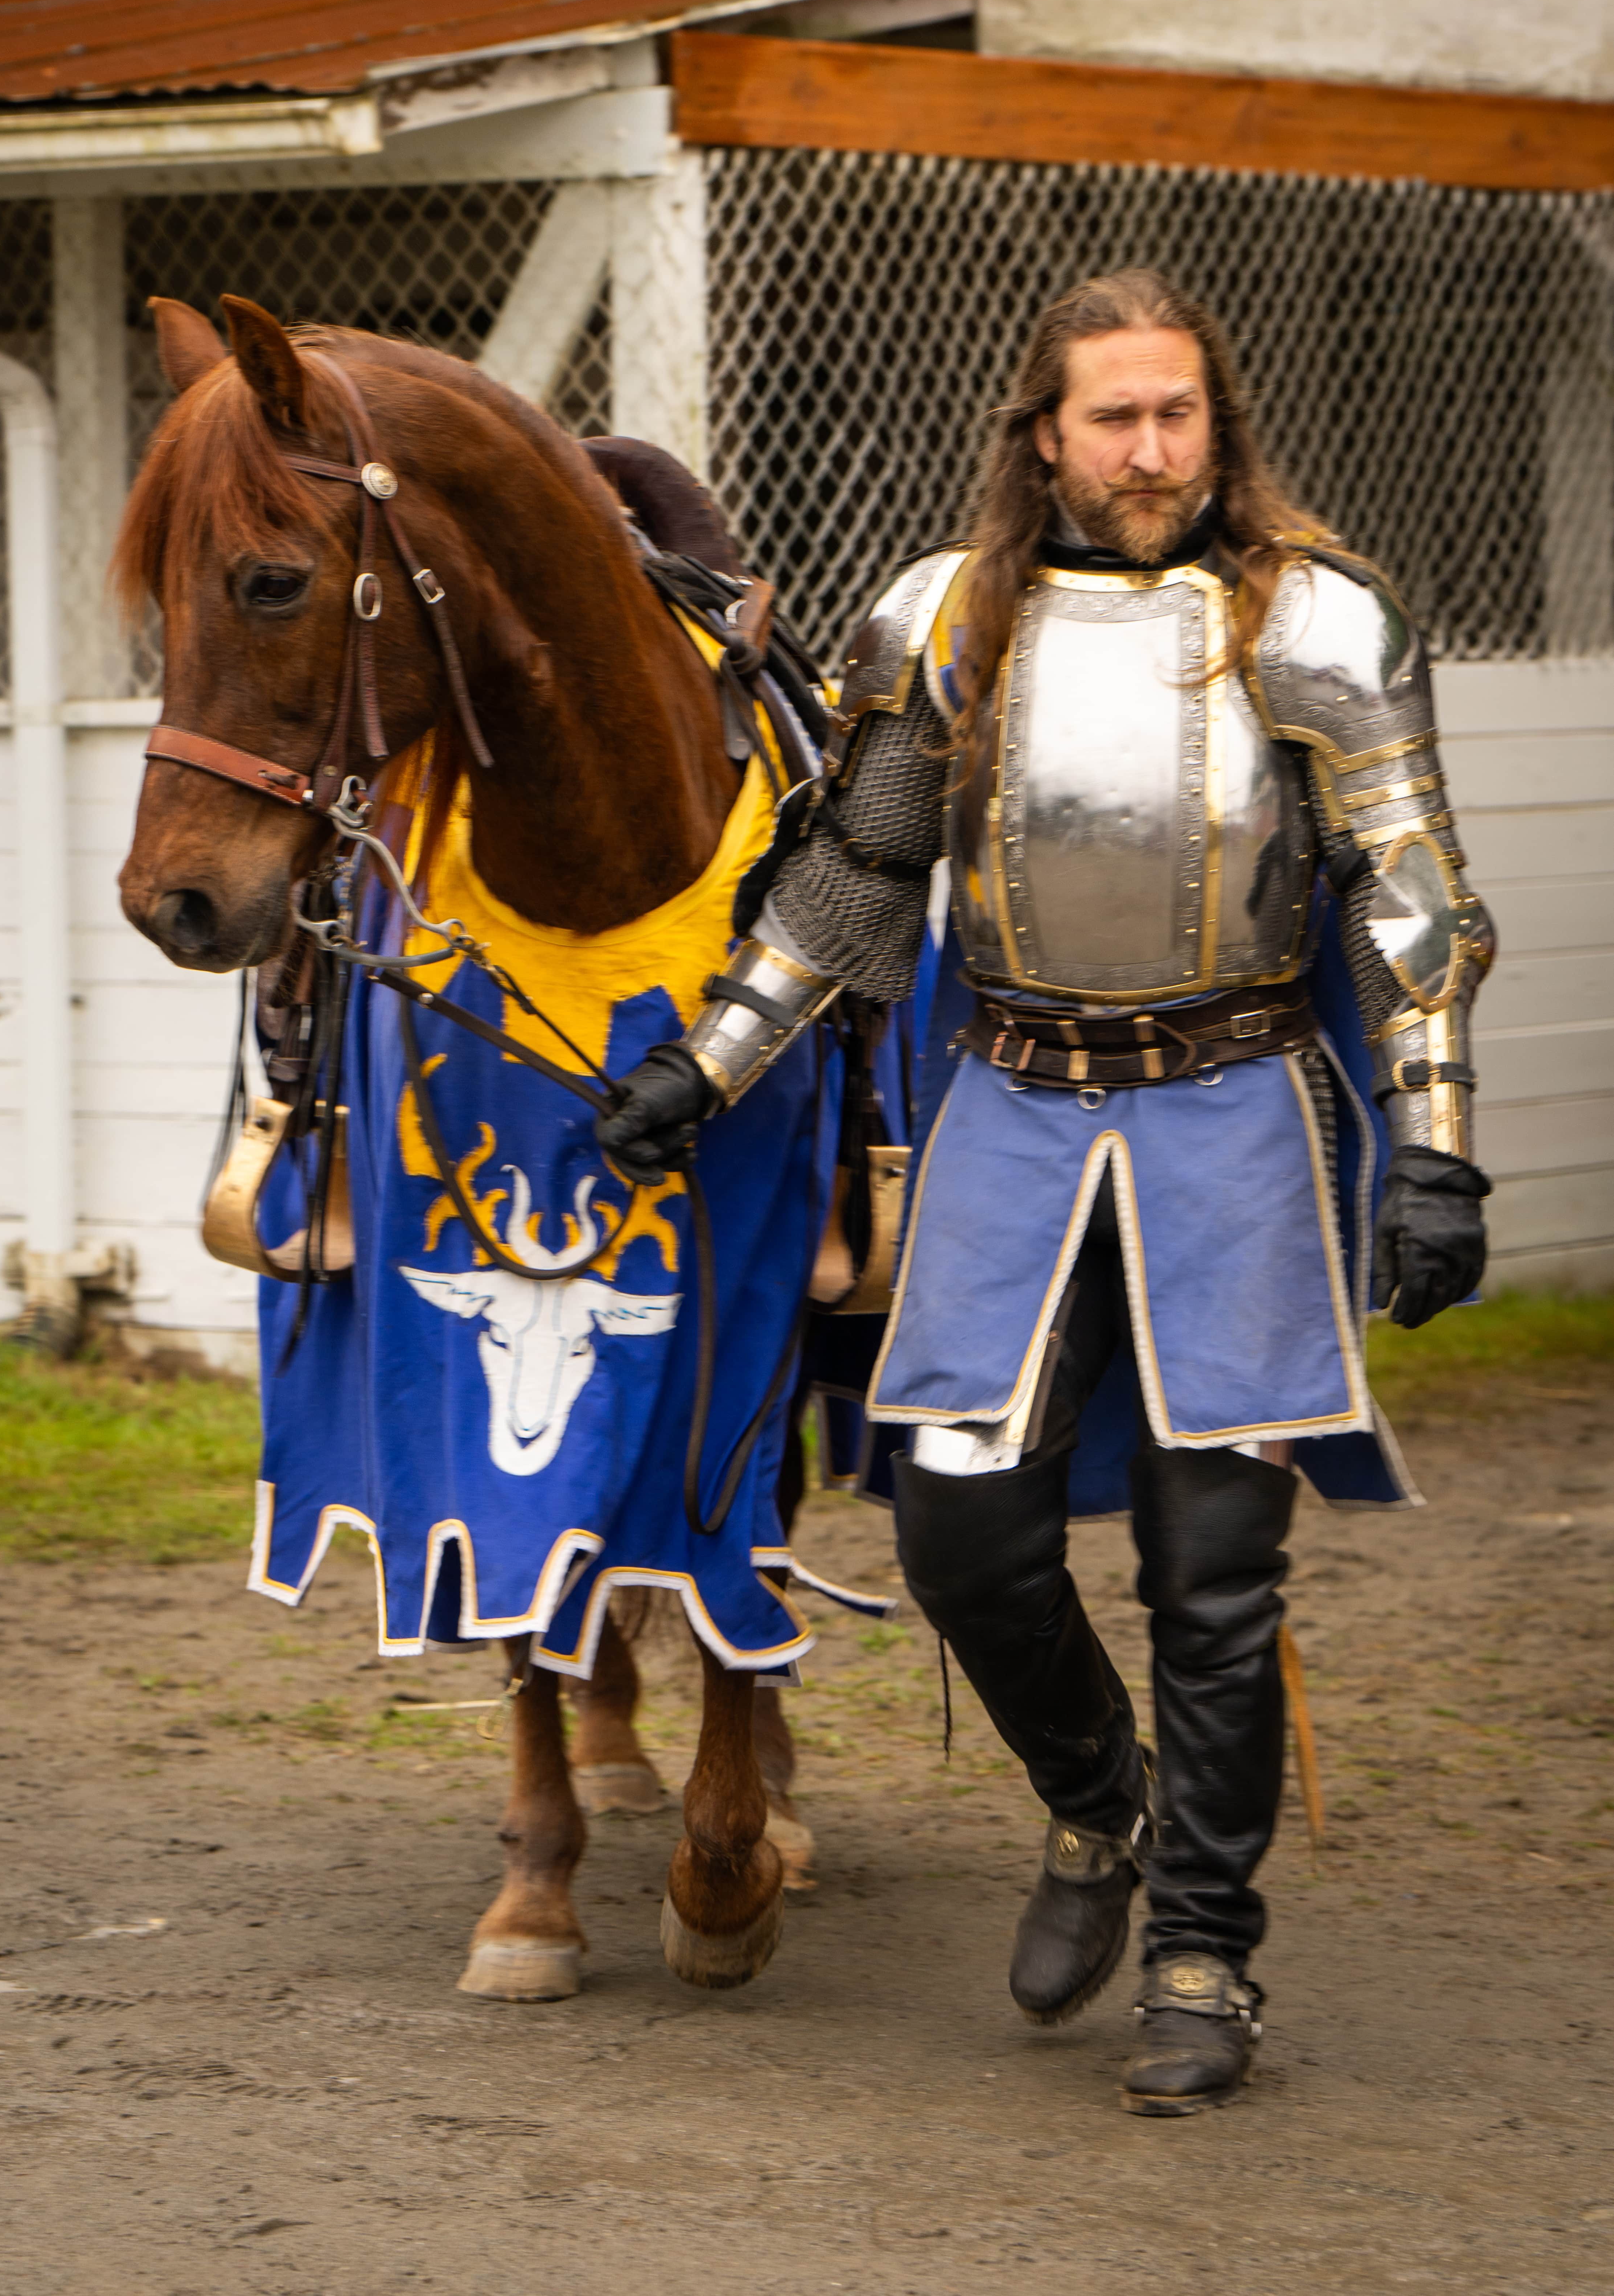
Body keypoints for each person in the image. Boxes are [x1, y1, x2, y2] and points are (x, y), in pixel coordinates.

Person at [597, 267, 1495, 2114]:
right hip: (1008, 1111)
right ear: (1046, 432)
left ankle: (1202, 1951)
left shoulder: (1320, 621)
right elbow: (852, 874)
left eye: (1180, 413)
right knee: (957, 1534)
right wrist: (716, 1061)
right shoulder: (943, 620)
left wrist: (1431, 1144)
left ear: (1213, 424)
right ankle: (1100, 1804)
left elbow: (1410, 898)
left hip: (1235, 1114)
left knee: (1213, 1575)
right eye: (1115, 417)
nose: (1153, 448)